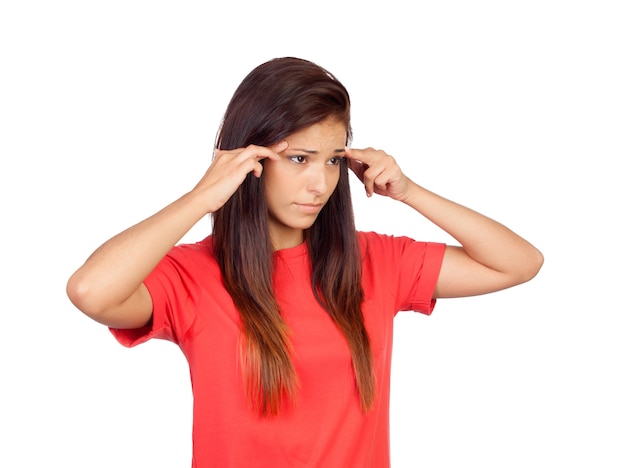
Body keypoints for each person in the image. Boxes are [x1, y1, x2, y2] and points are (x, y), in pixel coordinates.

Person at [66, 57, 543, 467]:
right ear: (249, 158)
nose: (320, 183)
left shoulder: (374, 260)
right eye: (298, 159)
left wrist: (410, 192)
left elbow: (518, 263)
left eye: (333, 160)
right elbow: (91, 291)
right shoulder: (193, 275)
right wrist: (201, 198)